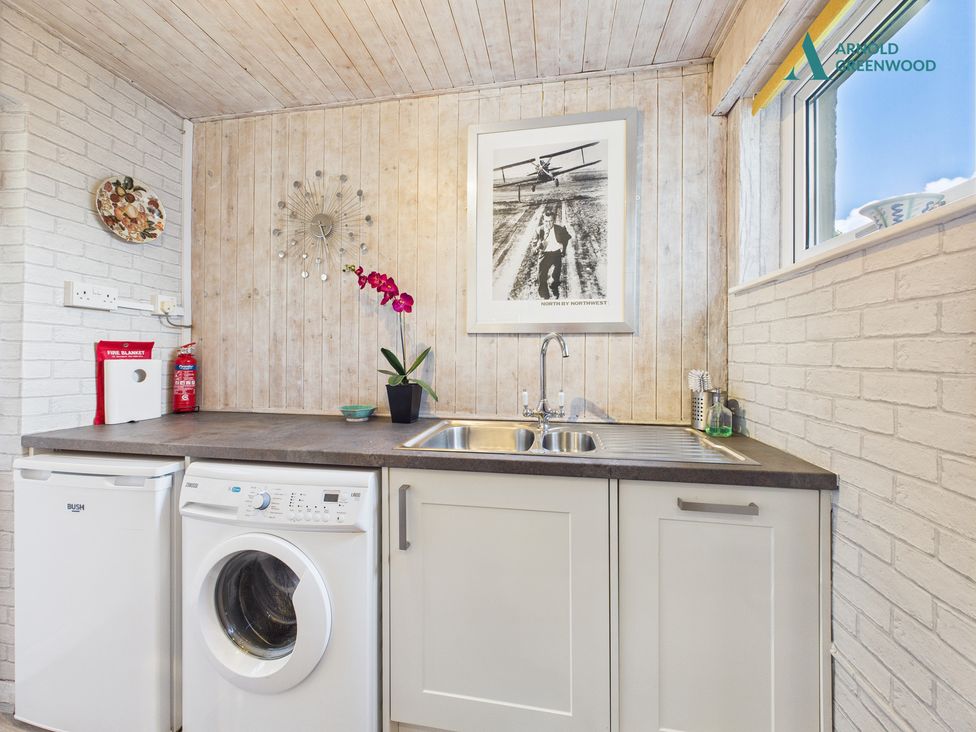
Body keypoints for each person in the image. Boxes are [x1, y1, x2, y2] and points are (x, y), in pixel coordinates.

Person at [535, 210, 571, 299]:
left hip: (556, 254)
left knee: (556, 275)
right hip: (544, 254)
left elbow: (567, 237)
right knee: (541, 276)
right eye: (546, 221)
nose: (548, 223)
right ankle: (544, 295)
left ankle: (554, 287)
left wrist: (562, 245)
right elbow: (534, 245)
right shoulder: (539, 230)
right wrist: (538, 246)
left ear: (554, 220)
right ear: (543, 221)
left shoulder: (560, 229)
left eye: (550, 221)